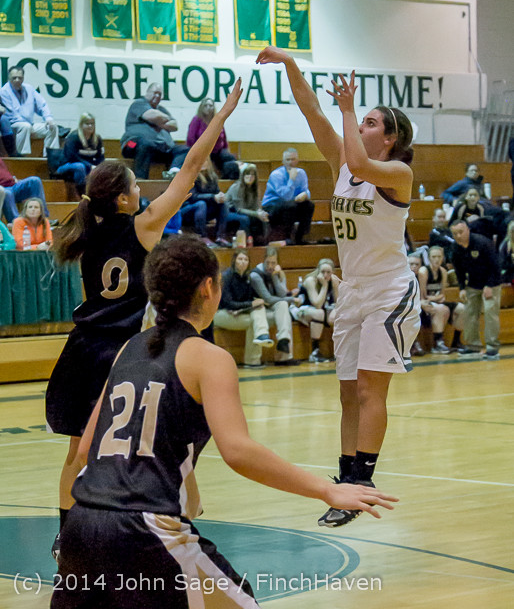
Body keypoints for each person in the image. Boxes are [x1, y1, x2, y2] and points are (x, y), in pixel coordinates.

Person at [51, 235, 397, 609]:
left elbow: (87, 449)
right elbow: (238, 451)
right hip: (145, 528)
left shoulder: (127, 349)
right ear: (209, 287)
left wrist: (185, 494)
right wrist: (327, 490)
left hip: (81, 526)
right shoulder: (208, 357)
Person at [45, 80, 243, 560]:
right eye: (135, 185)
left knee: (77, 453)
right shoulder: (142, 226)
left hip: (80, 349)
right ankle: (178, 528)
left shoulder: (84, 230)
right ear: (124, 199)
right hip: (119, 355)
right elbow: (192, 168)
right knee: (166, 447)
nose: (141, 188)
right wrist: (221, 117)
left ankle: (65, 537)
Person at [257, 46, 420, 528]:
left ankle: (363, 481)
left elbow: (362, 164)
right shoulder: (343, 164)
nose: (362, 125)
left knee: (371, 389)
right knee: (348, 392)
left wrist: (348, 110)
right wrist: (290, 65)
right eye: (362, 120)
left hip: (390, 291)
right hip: (352, 292)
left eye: (372, 123)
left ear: (389, 140)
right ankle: (345, 483)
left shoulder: (397, 173)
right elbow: (312, 111)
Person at [450, 219, 502, 361]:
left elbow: (495, 266)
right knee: (470, 314)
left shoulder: (483, 243)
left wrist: (490, 286)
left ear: (468, 230)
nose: (458, 236)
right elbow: (459, 271)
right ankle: (473, 346)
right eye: (455, 233)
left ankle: (492, 347)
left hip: (492, 283)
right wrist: (462, 288)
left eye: (460, 232)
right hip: (473, 284)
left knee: (491, 313)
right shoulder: (455, 248)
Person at [214, 249, 274, 368]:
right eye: (240, 259)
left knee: (259, 308)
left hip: (238, 313)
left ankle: (260, 340)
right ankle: (254, 356)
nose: (243, 262)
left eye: (245, 259)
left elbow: (249, 300)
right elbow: (228, 303)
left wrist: (250, 305)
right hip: (221, 314)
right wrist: (251, 304)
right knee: (255, 318)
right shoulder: (226, 277)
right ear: (234, 261)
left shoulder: (248, 278)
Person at [121, 83, 189, 179]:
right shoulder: (139, 103)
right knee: (144, 143)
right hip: (132, 145)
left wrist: (159, 120)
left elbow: (175, 126)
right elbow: (151, 115)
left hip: (157, 148)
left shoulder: (161, 109)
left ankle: (172, 173)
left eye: (160, 94)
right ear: (147, 92)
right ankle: (141, 180)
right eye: (155, 93)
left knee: (185, 150)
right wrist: (164, 120)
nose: (157, 96)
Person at [249, 246, 301, 366]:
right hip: (260, 309)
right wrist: (292, 299)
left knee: (283, 306)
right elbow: (267, 298)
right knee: (283, 307)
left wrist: (276, 277)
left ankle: (283, 346)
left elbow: (282, 294)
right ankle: (284, 354)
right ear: (263, 260)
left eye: (273, 263)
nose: (270, 266)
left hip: (273, 306)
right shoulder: (255, 275)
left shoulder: (277, 273)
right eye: (268, 263)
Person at [180, 157, 243, 247]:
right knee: (201, 204)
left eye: (205, 161)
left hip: (204, 210)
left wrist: (220, 196)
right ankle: (202, 236)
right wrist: (213, 197)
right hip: (188, 210)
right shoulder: (190, 176)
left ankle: (220, 236)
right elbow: (193, 197)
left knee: (223, 204)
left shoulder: (212, 176)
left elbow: (216, 192)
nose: (203, 163)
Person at [0, 65, 59, 155]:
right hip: (13, 125)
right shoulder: (4, 91)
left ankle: (51, 156)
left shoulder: (29, 89)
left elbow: (42, 104)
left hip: (30, 124)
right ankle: (22, 158)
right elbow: (13, 114)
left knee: (52, 127)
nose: (17, 80)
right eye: (14, 78)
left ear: (23, 78)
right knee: (25, 127)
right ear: (9, 78)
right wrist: (29, 126)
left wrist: (48, 118)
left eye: (20, 78)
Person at [261, 148, 315, 245]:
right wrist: (291, 179)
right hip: (271, 206)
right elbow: (286, 197)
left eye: (293, 159)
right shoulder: (276, 175)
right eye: (288, 160)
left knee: (309, 205)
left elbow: (305, 190)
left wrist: (305, 194)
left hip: (291, 204)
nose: (290, 162)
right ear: (283, 161)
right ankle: (287, 238)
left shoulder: (301, 173)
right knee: (290, 206)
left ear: (297, 160)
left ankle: (300, 237)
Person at [417, 246, 465, 354]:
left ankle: (456, 341)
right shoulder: (423, 271)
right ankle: (438, 344)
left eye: (439, 257)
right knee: (441, 309)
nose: (436, 259)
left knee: (462, 308)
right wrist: (435, 298)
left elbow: (442, 295)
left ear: (443, 258)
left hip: (437, 301)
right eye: (434, 257)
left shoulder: (443, 271)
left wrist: (434, 298)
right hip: (424, 304)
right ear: (429, 258)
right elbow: (423, 296)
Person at [293, 258, 339, 363]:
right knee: (319, 313)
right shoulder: (310, 280)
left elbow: (338, 304)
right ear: (318, 271)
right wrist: (324, 286)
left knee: (338, 316)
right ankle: (314, 352)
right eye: (323, 272)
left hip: (321, 310)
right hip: (302, 310)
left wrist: (336, 287)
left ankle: (338, 352)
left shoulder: (332, 281)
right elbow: (317, 304)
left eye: (328, 272)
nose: (325, 275)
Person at [186, 97, 240, 179]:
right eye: (206, 106)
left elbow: (224, 139)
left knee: (231, 159)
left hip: (217, 151)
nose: (208, 108)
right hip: (202, 151)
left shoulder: (218, 120)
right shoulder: (196, 120)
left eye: (210, 106)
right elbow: (191, 138)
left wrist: (226, 150)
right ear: (202, 107)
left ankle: (227, 180)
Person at [55, 113, 105, 198]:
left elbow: (101, 157)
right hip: (65, 166)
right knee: (80, 167)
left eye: (92, 124)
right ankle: (81, 193)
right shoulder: (73, 137)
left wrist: (98, 166)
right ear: (81, 125)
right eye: (87, 124)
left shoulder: (97, 139)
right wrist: (90, 165)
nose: (90, 126)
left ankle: (99, 195)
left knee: (103, 168)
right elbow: (71, 157)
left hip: (87, 166)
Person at [225, 163, 269, 244]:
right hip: (229, 212)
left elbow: (256, 206)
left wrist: (261, 213)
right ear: (243, 175)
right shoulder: (237, 187)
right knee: (245, 219)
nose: (250, 177)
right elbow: (238, 209)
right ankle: (246, 243)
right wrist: (256, 214)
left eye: (253, 175)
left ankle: (263, 243)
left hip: (245, 212)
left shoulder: (254, 188)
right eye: (247, 174)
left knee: (263, 219)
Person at [0, 154, 49, 223]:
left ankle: (42, 218)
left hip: (13, 185)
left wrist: (13, 178)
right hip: (2, 189)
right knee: (7, 193)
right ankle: (18, 223)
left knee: (35, 181)